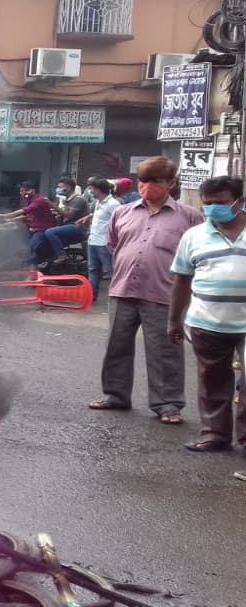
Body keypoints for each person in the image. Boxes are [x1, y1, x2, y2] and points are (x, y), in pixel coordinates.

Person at [90, 157, 201, 424]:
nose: (148, 186)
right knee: (116, 346)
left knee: (165, 351)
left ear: (171, 183)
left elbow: (198, 254)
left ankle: (168, 404)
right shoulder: (122, 212)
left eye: (156, 181)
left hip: (164, 294)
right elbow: (114, 244)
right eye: (144, 180)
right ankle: (116, 395)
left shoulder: (189, 216)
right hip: (123, 289)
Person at [169, 176, 246, 452]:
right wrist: (174, 319)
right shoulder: (193, 236)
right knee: (212, 380)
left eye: (221, 203)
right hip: (207, 321)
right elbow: (181, 279)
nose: (214, 209)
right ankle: (215, 434)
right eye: (208, 204)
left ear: (239, 202)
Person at [0, 182, 57, 266]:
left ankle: (30, 270)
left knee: (29, 250)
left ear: (32, 191)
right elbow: (25, 216)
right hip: (34, 229)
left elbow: (24, 211)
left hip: (42, 229)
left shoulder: (39, 200)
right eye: (21, 191)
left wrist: (3, 216)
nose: (22, 193)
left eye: (24, 190)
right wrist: (8, 221)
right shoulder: (30, 200)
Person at [81, 177, 120, 303]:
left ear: (98, 190)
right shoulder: (98, 202)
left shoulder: (113, 204)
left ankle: (117, 298)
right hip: (93, 241)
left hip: (105, 243)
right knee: (93, 269)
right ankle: (92, 296)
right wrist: (87, 217)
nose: (89, 191)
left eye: (91, 188)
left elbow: (119, 223)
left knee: (111, 271)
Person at [43, 175, 91, 265]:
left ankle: (62, 256)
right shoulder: (67, 200)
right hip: (69, 226)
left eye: (60, 187)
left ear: (69, 187)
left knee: (50, 232)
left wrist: (51, 204)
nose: (58, 189)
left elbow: (68, 215)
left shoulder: (78, 199)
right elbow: (62, 213)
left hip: (78, 228)